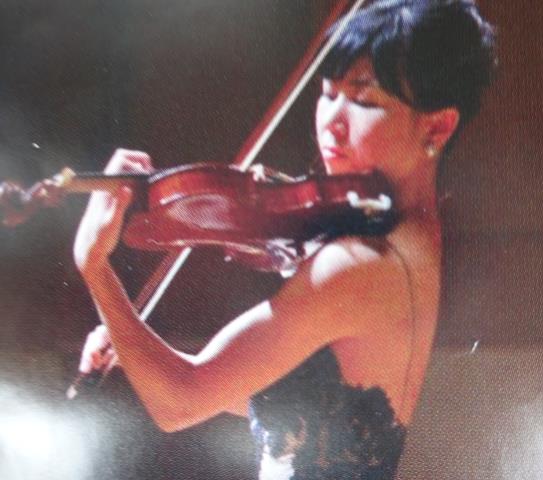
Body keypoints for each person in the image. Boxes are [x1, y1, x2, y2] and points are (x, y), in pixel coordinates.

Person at [74, 1, 496, 478]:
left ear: (437, 126)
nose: (331, 123)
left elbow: (179, 403)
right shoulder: (416, 237)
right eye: (328, 94)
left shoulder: (357, 264)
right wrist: (139, 351)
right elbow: (310, 410)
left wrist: (94, 265)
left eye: (363, 102)